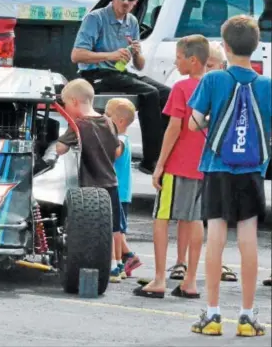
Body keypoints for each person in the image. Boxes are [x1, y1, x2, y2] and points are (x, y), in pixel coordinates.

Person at [188, 15, 271, 337]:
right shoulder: (266, 85)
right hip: (251, 170)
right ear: (256, 47)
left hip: (217, 166)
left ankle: (212, 315)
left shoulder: (213, 80)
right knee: (249, 241)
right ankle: (247, 317)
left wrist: (212, 119)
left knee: (216, 240)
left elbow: (194, 123)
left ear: (223, 46)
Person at [133, 34, 210, 299]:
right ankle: (190, 281)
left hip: (179, 165)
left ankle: (158, 279)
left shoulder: (182, 88)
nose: (176, 62)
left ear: (192, 59)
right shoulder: (216, 86)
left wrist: (159, 165)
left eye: (178, 57)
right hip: (205, 166)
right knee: (195, 218)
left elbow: (174, 128)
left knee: (161, 218)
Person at [71, 0, 171, 174]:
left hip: (120, 72)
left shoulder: (132, 22)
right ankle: (151, 160)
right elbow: (76, 55)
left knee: (168, 94)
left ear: (135, 2)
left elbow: (139, 65)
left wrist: (136, 52)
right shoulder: (96, 18)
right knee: (149, 94)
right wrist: (111, 55)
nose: (126, 3)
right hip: (95, 74)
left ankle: (165, 155)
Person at [167, 42, 238, 283]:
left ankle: (212, 262)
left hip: (215, 160)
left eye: (212, 66)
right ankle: (181, 261)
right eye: (206, 65)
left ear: (222, 65)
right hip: (194, 159)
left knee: (209, 216)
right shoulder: (200, 88)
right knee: (189, 215)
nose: (208, 70)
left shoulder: (224, 88)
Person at [55, 79, 123, 283]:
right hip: (111, 181)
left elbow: (60, 148)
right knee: (113, 227)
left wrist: (58, 143)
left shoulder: (79, 125)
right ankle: (115, 265)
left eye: (66, 104)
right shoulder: (109, 122)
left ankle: (98, 263)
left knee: (93, 227)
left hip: (91, 186)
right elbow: (117, 149)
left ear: (74, 102)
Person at [105, 98, 142, 279]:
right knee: (118, 230)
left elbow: (115, 152)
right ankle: (125, 260)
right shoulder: (124, 137)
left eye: (107, 115)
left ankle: (118, 262)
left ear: (119, 121)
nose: (104, 118)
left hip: (118, 191)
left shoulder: (119, 139)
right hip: (122, 191)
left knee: (116, 230)